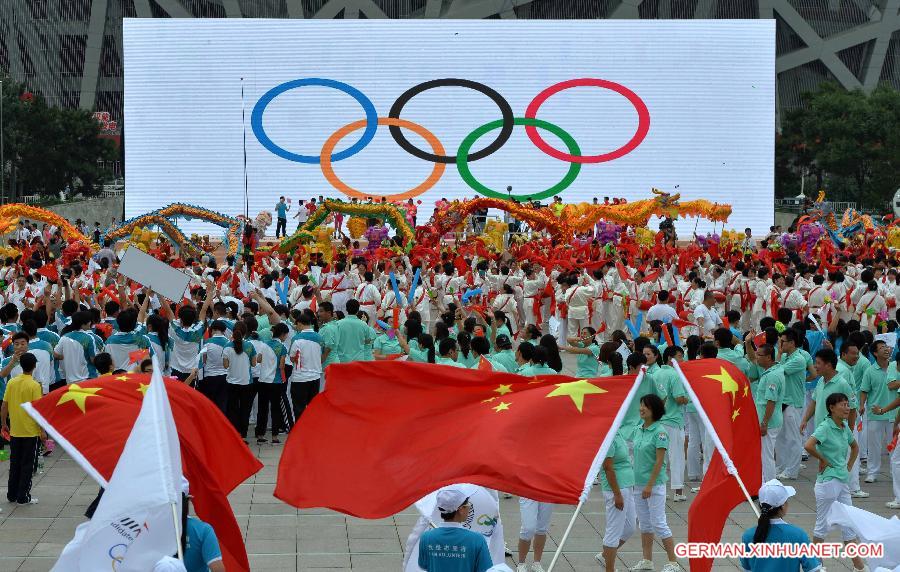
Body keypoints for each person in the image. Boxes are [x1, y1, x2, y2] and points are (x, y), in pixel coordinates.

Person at [804, 392, 869, 572]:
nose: (847, 408)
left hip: (842, 481)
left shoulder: (843, 427)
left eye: (848, 404)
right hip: (827, 482)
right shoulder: (825, 426)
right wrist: (823, 460)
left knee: (849, 523)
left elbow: (855, 446)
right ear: (832, 408)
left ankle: (859, 566)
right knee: (822, 525)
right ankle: (815, 565)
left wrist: (848, 466)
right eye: (843, 404)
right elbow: (808, 445)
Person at [631, 394, 680, 572]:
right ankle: (647, 560)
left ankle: (673, 563)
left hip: (654, 485)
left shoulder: (660, 432)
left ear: (655, 410)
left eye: (646, 406)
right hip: (637, 484)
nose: (642, 408)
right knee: (644, 524)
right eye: (641, 405)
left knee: (659, 522)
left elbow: (659, 462)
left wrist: (650, 486)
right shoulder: (639, 428)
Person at [739, 479, 822, 572]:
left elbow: (747, 568)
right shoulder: (798, 535)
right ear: (782, 506)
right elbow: (813, 568)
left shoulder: (748, 535)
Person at [1, 353, 44, 505]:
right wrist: (42, 431)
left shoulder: (12, 382)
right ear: (34, 366)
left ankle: (11, 495)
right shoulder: (34, 385)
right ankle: (23, 496)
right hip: (30, 431)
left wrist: (3, 423)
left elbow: (4, 405)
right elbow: (37, 411)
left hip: (15, 430)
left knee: (14, 464)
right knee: (27, 465)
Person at [418, 486, 493, 572]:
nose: (469, 507)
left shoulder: (427, 537)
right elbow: (487, 569)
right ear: (461, 509)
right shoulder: (476, 540)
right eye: (468, 504)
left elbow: (423, 565)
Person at [595, 428, 637, 572]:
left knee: (630, 527)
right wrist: (617, 494)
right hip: (616, 489)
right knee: (613, 531)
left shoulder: (618, 432)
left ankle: (604, 556)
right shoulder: (608, 437)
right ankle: (609, 569)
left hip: (627, 485)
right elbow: (608, 467)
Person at [752, 343, 785, 483]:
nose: (756, 357)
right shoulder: (772, 371)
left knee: (766, 456)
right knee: (764, 454)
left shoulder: (772, 376)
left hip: (769, 422)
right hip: (768, 420)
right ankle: (764, 483)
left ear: (768, 357)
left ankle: (769, 485)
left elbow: (771, 401)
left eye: (759, 355)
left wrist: (764, 422)